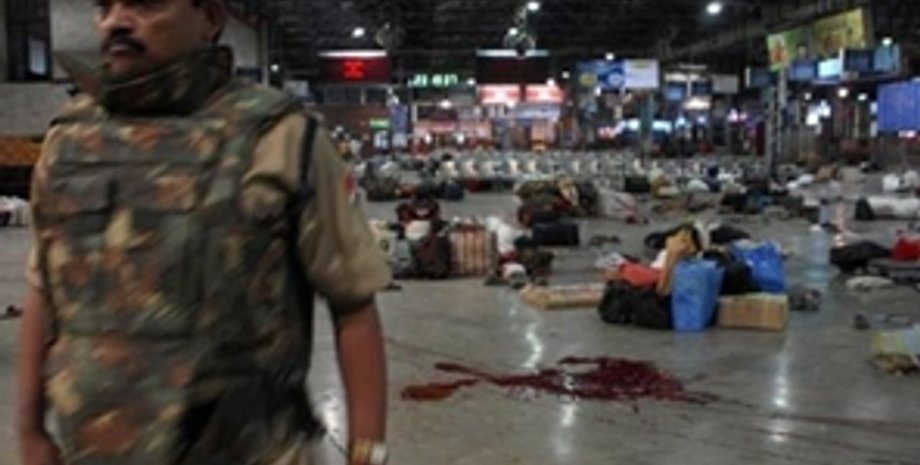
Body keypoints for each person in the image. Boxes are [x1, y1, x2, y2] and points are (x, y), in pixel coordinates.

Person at [16, 1, 390, 465]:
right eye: (104, 6)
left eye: (145, 3)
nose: (116, 21)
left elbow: (353, 306)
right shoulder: (69, 142)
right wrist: (30, 432)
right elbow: (43, 290)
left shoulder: (281, 136)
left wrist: (367, 454)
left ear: (210, 18)